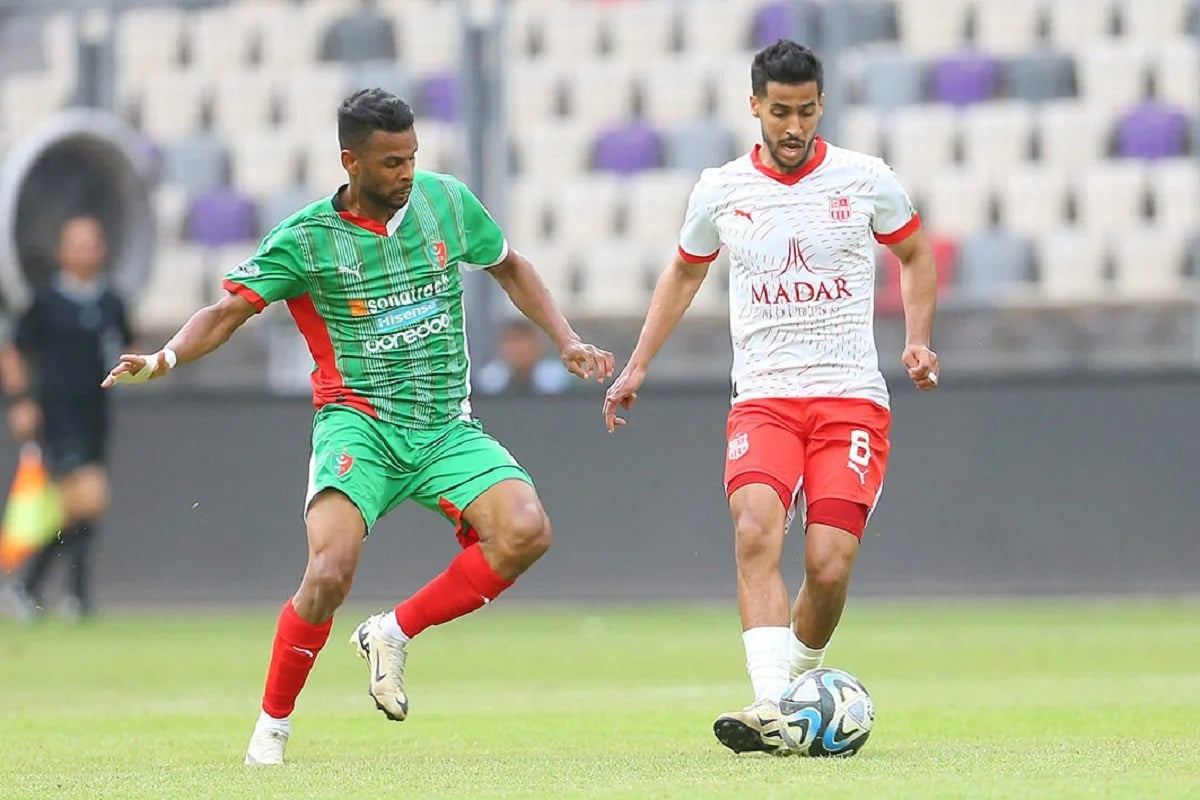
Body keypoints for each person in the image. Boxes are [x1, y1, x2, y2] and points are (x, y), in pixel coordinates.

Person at [101, 89, 613, 765]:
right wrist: (166, 356)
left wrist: (565, 339)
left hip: (443, 428)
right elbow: (229, 310)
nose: (407, 173)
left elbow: (510, 266)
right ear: (351, 161)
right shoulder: (308, 240)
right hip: (359, 427)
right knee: (330, 571)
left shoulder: (447, 203)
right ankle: (270, 733)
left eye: (412, 158)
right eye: (392, 162)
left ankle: (393, 631)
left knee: (526, 530)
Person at [602, 40, 940, 755]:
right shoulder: (721, 189)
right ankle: (771, 706)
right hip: (763, 398)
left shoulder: (865, 178)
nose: (793, 126)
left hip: (849, 398)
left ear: (822, 107)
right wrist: (636, 365)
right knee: (755, 530)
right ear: (755, 106)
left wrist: (917, 337)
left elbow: (914, 253)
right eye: (780, 111)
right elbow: (684, 274)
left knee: (827, 566)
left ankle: (798, 683)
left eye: (806, 111)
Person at [0, 216, 133, 621]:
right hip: (58, 414)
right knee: (87, 497)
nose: (84, 252)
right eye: (76, 244)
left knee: (78, 507)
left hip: (96, 413)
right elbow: (13, 350)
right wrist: (21, 399)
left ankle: (34, 588)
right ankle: (68, 593)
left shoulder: (111, 301)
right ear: (62, 251)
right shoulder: (46, 301)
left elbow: (129, 344)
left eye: (91, 243)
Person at [475, 318, 572, 395]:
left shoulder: (556, 377)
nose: (517, 349)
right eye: (511, 342)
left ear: (536, 345)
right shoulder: (489, 380)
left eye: (522, 342)